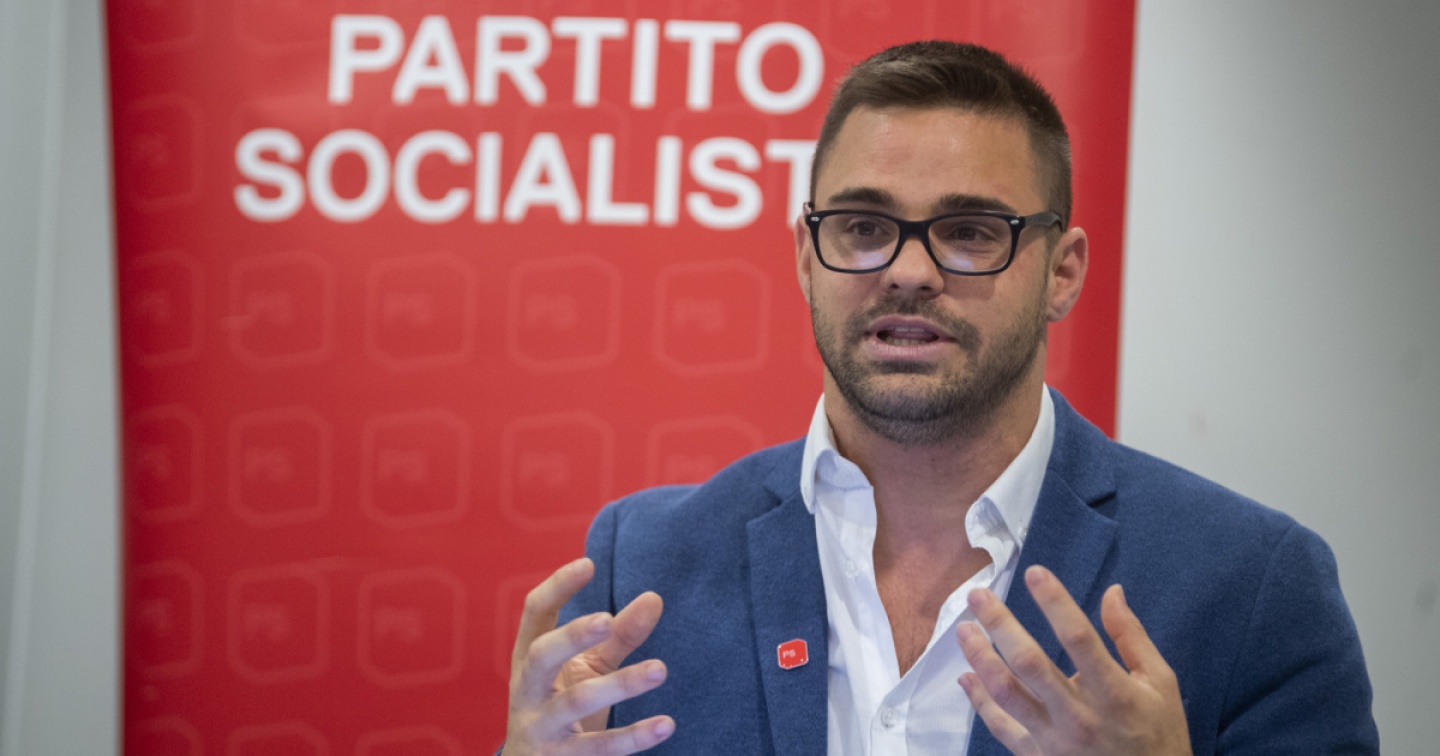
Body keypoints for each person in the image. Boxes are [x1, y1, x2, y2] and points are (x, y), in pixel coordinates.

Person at [500, 41, 1378, 755]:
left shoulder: (1251, 587)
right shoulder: (643, 566)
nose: (909, 272)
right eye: (863, 227)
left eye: (969, 232)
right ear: (806, 258)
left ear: (1063, 271)